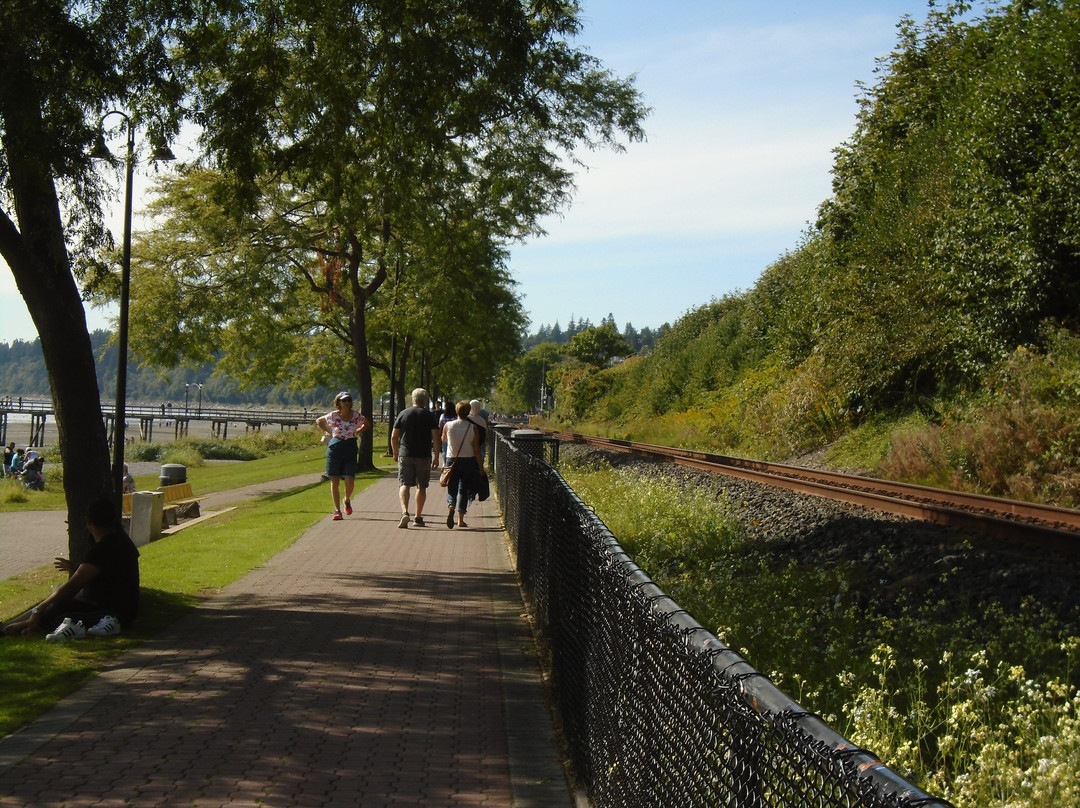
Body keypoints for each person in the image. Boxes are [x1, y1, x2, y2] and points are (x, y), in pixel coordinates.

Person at [1, 497, 140, 640]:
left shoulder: (102, 549)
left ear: (88, 520)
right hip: (122, 610)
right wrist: (75, 569)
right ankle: (15, 625)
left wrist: (38, 610)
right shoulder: (122, 542)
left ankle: (19, 627)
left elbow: (71, 587)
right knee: (56, 593)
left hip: (110, 614)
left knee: (53, 608)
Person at [316, 392, 370, 520]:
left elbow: (367, 424)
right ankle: (337, 510)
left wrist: (358, 430)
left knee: (349, 480)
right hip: (335, 448)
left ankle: (347, 499)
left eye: (348, 400)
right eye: (343, 400)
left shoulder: (356, 415)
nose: (346, 402)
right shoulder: (334, 415)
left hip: (350, 447)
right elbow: (319, 421)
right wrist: (329, 431)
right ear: (338, 402)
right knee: (334, 480)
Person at [391, 388, 441, 528]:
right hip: (423, 455)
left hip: (405, 453)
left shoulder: (403, 413)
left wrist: (395, 452)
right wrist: (436, 456)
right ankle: (418, 517)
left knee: (404, 484)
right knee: (422, 486)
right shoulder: (430, 416)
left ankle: (405, 512)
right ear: (425, 400)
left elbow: (394, 436)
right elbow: (436, 437)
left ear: (413, 399)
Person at [444, 399, 487, 529]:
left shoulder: (449, 425)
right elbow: (476, 449)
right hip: (468, 460)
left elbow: (443, 439)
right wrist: (481, 468)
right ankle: (460, 519)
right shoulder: (473, 427)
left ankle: (451, 504)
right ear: (468, 412)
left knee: (452, 487)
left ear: (456, 411)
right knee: (464, 489)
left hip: (452, 460)